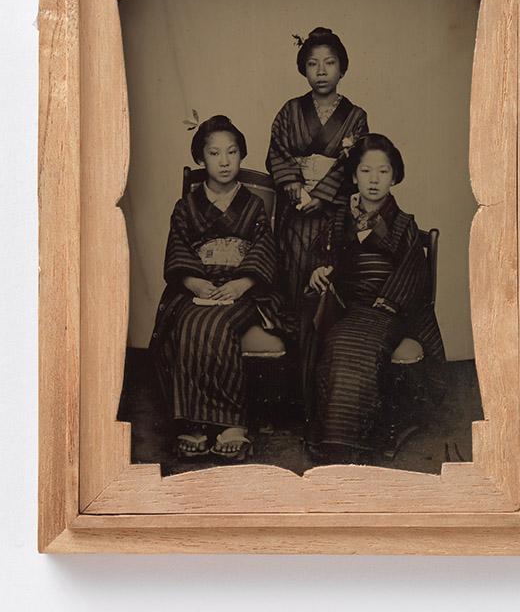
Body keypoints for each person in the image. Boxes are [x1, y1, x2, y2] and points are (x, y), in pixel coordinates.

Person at [149, 115, 291, 461]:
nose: (224, 161)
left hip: (242, 289)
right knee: (186, 322)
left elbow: (264, 248)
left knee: (214, 324)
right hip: (195, 286)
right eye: (214, 153)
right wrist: (194, 280)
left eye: (232, 152)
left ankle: (230, 424)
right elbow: (178, 249)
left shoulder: (254, 205)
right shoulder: (186, 207)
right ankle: (198, 424)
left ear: (241, 156)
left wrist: (242, 283)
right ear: (201, 158)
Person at [307, 134, 447, 462]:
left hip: (389, 309)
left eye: (383, 172)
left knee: (349, 344)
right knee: (328, 338)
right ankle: (337, 435)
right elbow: (323, 256)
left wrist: (385, 303)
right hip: (349, 307)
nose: (374, 180)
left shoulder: (403, 224)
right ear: (354, 174)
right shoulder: (339, 218)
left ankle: (347, 442)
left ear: (394, 176)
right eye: (366, 171)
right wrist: (319, 270)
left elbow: (414, 274)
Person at [266, 27, 368, 407]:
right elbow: (277, 154)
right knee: (293, 290)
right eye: (312, 64)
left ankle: (325, 395)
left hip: (333, 217)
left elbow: (353, 165)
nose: (321, 71)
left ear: (342, 68)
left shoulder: (355, 117)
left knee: (326, 294)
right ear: (303, 69)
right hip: (295, 217)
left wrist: (320, 196)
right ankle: (293, 393)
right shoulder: (289, 111)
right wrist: (296, 190)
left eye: (329, 63)